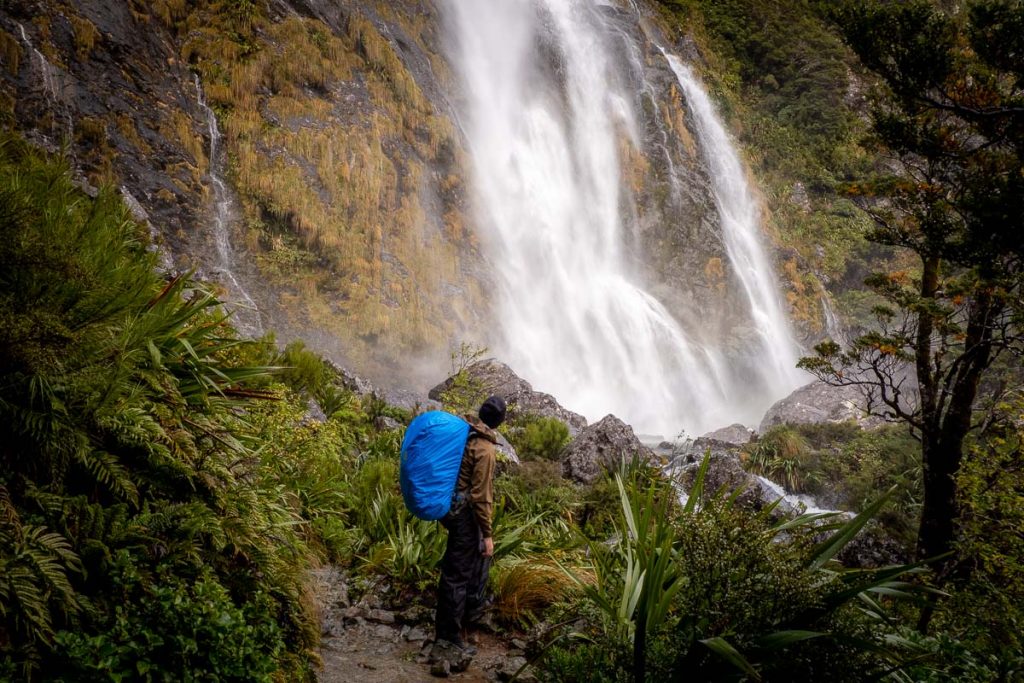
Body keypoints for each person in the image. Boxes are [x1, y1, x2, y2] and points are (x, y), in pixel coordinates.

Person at [430, 395, 506, 670]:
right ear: (499, 422)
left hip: (452, 510)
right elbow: (481, 497)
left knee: (460, 569)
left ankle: (457, 627)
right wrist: (488, 534)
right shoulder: (485, 449)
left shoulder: (466, 434)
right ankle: (448, 638)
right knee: (457, 574)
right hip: (466, 517)